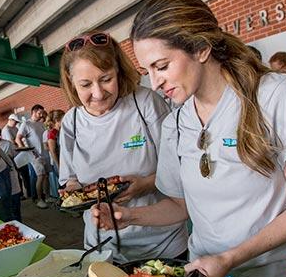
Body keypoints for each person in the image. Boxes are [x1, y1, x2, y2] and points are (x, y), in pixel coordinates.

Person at [93, 0, 286, 277]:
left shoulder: (275, 95)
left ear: (201, 49)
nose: (154, 83)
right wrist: (128, 217)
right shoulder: (175, 123)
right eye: (148, 70)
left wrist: (230, 257)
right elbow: (181, 206)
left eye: (162, 66)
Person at [59, 31, 189, 264]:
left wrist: (145, 184)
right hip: (101, 248)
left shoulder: (145, 103)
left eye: (106, 79)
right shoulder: (72, 122)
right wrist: (72, 190)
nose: (98, 93)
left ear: (118, 71)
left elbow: (181, 170)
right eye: (86, 84)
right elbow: (71, 179)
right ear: (71, 82)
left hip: (161, 244)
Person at [16, 105, 50, 208]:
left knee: (46, 176)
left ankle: (47, 197)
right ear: (34, 112)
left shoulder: (40, 124)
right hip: (35, 155)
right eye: (39, 113)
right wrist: (27, 151)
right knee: (40, 176)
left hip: (45, 154)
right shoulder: (26, 124)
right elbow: (18, 138)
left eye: (42, 113)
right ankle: (39, 199)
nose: (41, 115)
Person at [45, 109, 65, 199]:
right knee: (64, 184)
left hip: (63, 160)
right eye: (63, 119)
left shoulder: (60, 131)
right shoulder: (52, 133)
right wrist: (59, 165)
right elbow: (52, 151)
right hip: (58, 163)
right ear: (57, 121)